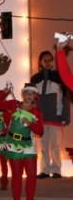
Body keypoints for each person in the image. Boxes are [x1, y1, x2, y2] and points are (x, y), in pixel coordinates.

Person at [0, 83, 44, 200]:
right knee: (16, 175)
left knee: (31, 175)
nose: (29, 95)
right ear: (22, 94)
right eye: (27, 93)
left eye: (32, 93)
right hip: (13, 144)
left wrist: (30, 123)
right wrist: (5, 92)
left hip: (29, 146)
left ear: (35, 96)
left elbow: (40, 131)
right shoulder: (14, 105)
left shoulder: (37, 112)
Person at [30, 50, 70, 179]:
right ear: (40, 62)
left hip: (55, 116)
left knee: (55, 145)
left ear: (53, 61)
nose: (48, 63)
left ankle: (56, 169)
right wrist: (32, 116)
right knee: (43, 146)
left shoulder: (59, 76)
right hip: (41, 117)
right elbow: (31, 98)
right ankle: (45, 170)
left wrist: (65, 117)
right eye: (45, 60)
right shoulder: (35, 79)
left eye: (50, 60)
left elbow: (65, 98)